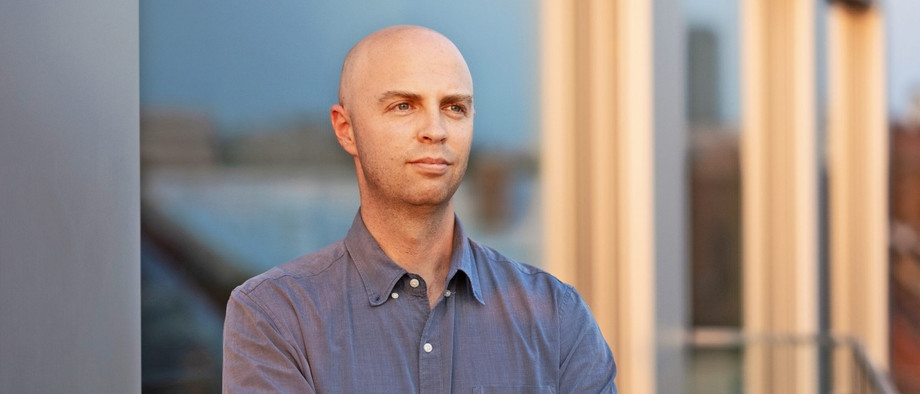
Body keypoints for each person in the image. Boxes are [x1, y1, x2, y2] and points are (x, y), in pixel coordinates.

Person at [222, 25, 617, 393]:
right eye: (403, 106)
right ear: (346, 129)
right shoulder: (275, 316)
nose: (436, 129)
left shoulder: (556, 316)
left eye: (454, 107)